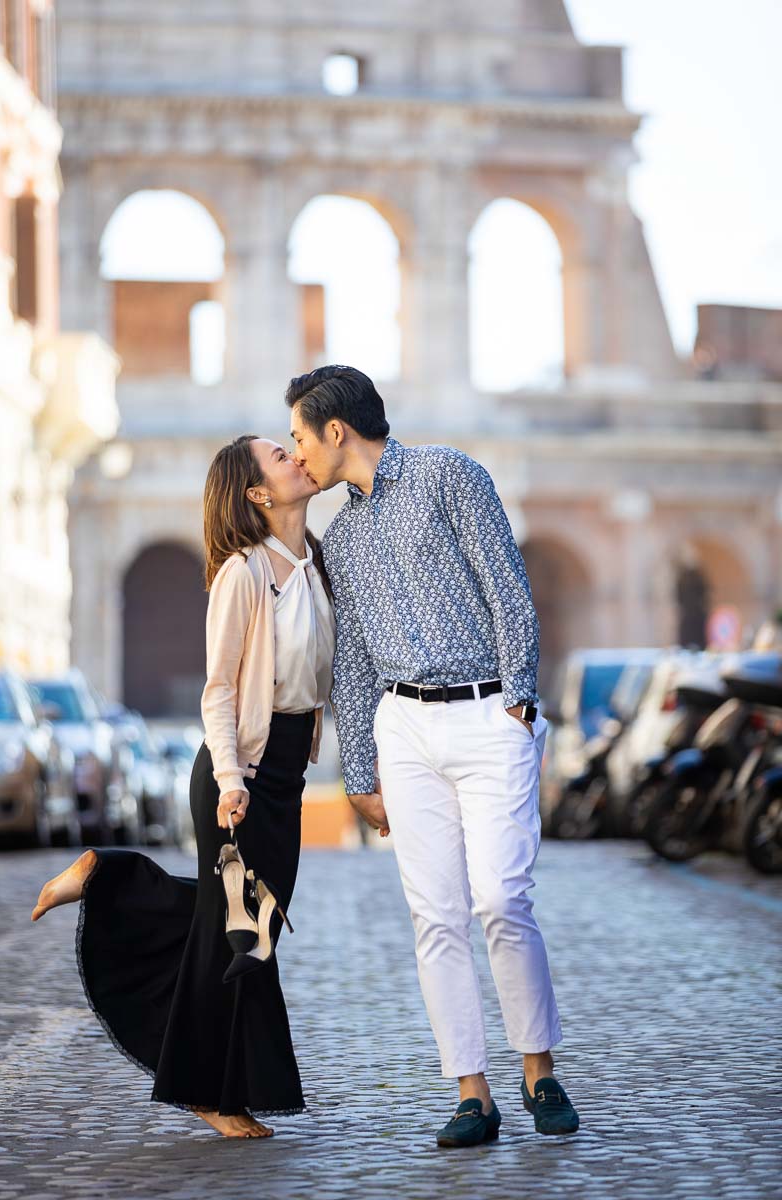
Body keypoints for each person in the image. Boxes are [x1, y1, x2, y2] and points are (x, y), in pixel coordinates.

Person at [287, 365, 579, 1149]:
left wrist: (518, 699)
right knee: (435, 916)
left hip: (489, 715)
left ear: (335, 431)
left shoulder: (452, 476)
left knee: (502, 899)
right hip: (403, 731)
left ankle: (539, 1072)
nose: (298, 455)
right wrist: (359, 773)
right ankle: (472, 1095)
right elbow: (350, 661)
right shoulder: (340, 540)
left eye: (299, 437)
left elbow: (509, 589)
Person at [31, 435, 335, 1139]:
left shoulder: (313, 562)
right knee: (243, 934)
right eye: (279, 456)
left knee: (241, 924)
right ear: (258, 493)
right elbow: (220, 689)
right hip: (244, 772)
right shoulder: (243, 572)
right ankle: (211, 1095)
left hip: (285, 772)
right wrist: (232, 778)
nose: (296, 457)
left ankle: (108, 876)